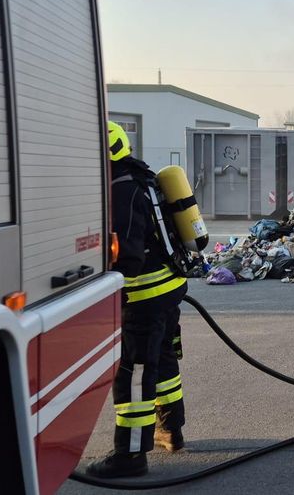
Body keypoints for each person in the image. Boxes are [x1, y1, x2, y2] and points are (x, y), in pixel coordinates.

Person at [86, 122, 187, 478]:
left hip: (144, 294)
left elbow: (127, 255)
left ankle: (130, 455)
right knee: (161, 360)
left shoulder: (120, 190)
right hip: (168, 286)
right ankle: (170, 430)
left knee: (133, 371)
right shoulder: (142, 179)